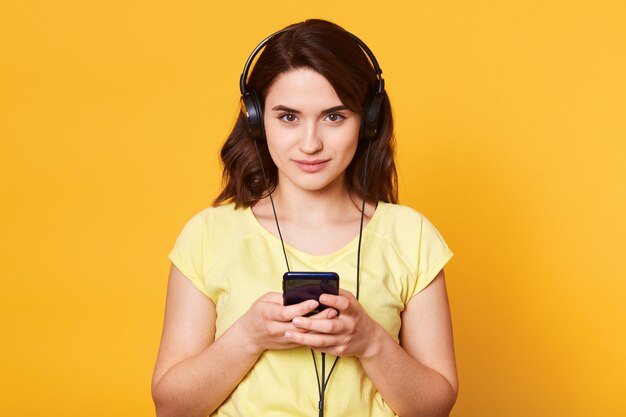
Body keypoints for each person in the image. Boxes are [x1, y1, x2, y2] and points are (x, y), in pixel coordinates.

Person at [152, 19, 458, 417]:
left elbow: (435, 408)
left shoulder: (412, 236)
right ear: (256, 119)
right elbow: (171, 408)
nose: (311, 143)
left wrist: (369, 341)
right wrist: (248, 335)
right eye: (288, 117)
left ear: (367, 123)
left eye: (334, 117)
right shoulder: (207, 235)